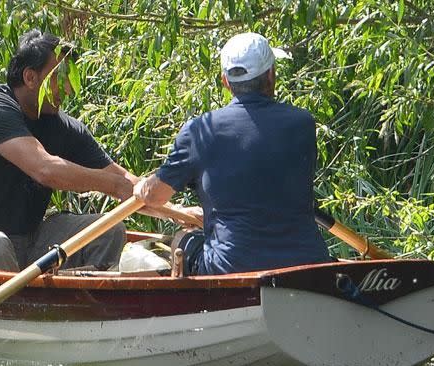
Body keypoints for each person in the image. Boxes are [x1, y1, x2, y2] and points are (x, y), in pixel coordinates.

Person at [134, 32, 332, 275]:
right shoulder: (303, 124)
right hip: (309, 262)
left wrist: (141, 188)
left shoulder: (199, 131)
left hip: (230, 266)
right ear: (271, 75)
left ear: (225, 81)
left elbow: (154, 197)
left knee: (182, 239)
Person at [0, 29, 139, 272]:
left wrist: (182, 213)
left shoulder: (64, 127)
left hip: (32, 241)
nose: (67, 89)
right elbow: (45, 169)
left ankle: (86, 305)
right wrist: (114, 185)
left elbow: (128, 182)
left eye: (70, 78)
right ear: (30, 77)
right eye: (59, 77)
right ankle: (13, 310)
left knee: (110, 229)